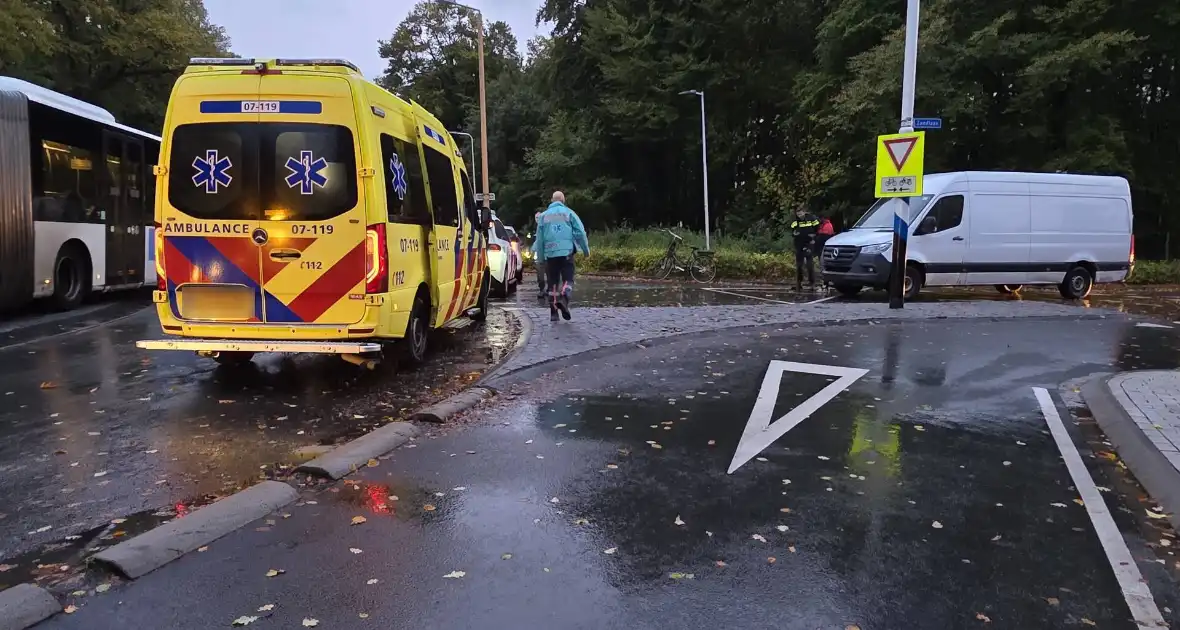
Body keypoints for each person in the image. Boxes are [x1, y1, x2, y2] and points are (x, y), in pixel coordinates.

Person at [534, 191, 590, 321]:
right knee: (568, 280)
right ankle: (564, 297)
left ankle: (554, 314)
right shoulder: (569, 213)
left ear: (552, 201)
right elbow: (580, 233)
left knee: (552, 284)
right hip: (566, 253)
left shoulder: (543, 217)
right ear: (563, 200)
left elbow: (540, 240)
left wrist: (541, 258)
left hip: (550, 254)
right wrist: (585, 250)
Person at [790, 205, 820, 290]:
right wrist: (795, 234)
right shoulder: (795, 221)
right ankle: (799, 283)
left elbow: (817, 228)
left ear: (804, 212)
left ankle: (812, 283)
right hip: (799, 244)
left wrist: (814, 238)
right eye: (798, 213)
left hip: (809, 243)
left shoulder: (811, 218)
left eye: (801, 213)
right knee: (799, 265)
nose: (800, 215)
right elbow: (793, 232)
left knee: (809, 264)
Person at [529, 211, 547, 299]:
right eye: (536, 218)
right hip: (539, 254)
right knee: (540, 274)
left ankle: (549, 289)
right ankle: (542, 289)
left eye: (539, 218)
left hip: (548, 253)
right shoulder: (535, 228)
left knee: (550, 273)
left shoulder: (546, 226)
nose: (538, 220)